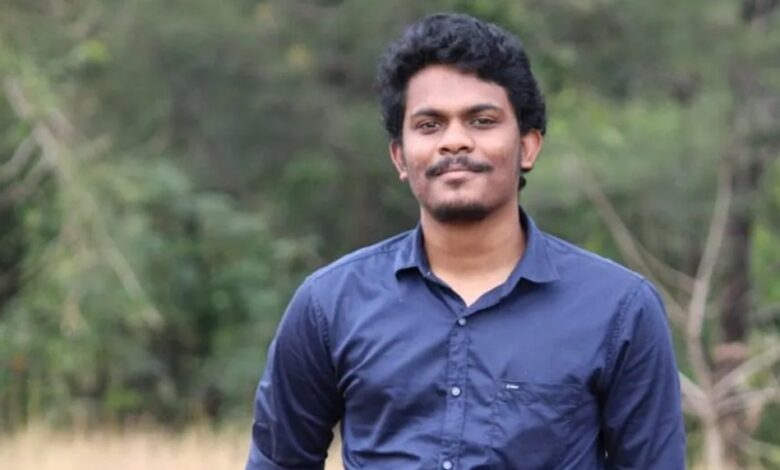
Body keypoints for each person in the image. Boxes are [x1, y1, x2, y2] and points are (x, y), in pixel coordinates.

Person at [245, 12, 686, 470]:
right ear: (400, 156)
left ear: (528, 146)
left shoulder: (618, 310)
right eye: (429, 125)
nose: (454, 141)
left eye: (482, 120)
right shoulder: (331, 304)